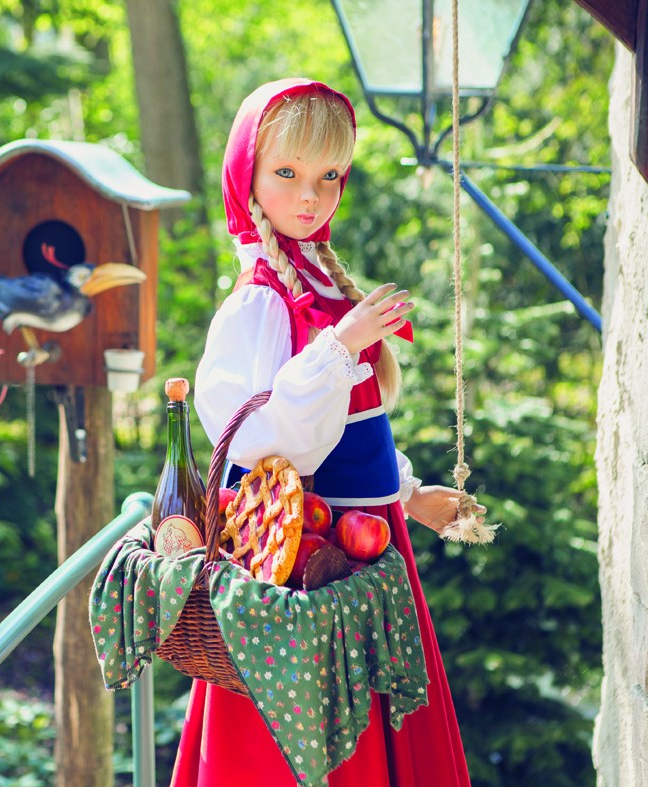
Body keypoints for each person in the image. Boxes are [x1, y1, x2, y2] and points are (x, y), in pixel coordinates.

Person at [173, 78, 477, 787]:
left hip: (359, 544)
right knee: (301, 738)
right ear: (247, 178)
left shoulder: (318, 285)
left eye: (328, 177)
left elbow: (354, 428)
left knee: (368, 727)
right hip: (297, 552)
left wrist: (406, 493)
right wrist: (338, 346)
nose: (309, 196)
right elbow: (259, 442)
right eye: (286, 174)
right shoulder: (256, 301)